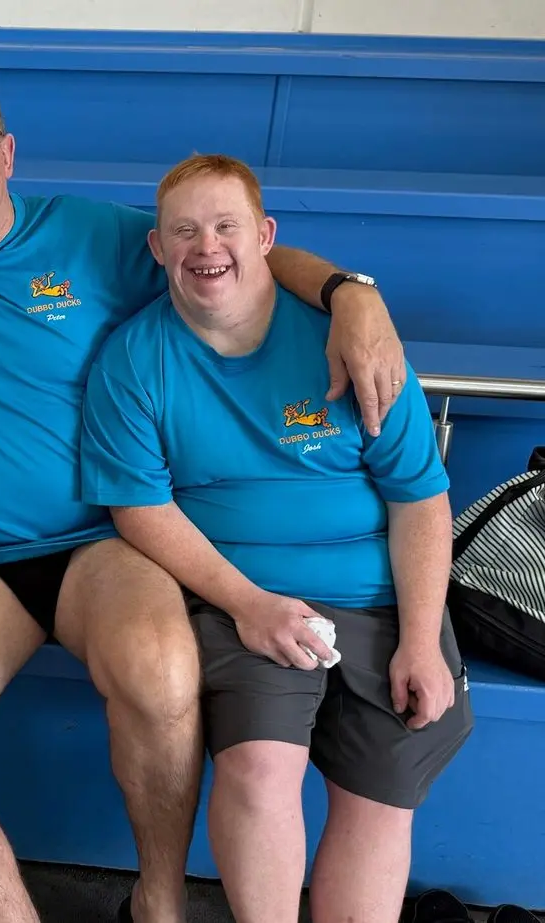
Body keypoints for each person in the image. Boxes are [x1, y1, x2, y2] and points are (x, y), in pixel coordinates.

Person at [0, 72, 412, 923]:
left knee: (161, 668)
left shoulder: (91, 236)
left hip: (104, 540)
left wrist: (350, 293)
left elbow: (240, 260)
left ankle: (157, 898)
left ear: (6, 154)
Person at [78, 152, 472, 923]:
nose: (206, 247)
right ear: (157, 250)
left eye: (227, 226)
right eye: (183, 231)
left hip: (379, 597)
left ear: (265, 236)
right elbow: (139, 507)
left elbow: (421, 500)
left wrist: (421, 638)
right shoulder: (133, 359)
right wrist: (250, 604)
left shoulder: (350, 341)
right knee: (260, 767)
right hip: (237, 597)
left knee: (381, 794)